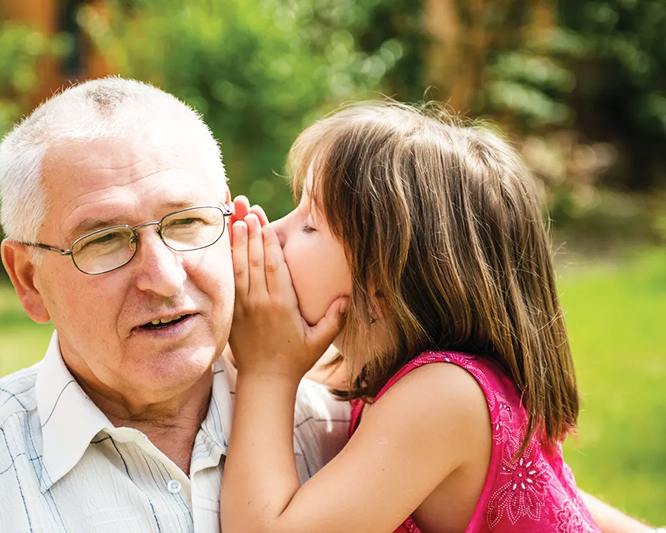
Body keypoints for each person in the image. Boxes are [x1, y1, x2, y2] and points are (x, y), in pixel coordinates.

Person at [0, 77, 349, 532]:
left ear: (232, 225)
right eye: (104, 240)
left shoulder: (341, 433)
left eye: (185, 222)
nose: (162, 278)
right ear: (29, 279)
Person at [221, 101, 660, 532]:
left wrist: (268, 370)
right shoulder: (422, 380)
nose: (272, 231)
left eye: (309, 224)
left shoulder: (443, 395)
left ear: (385, 287)